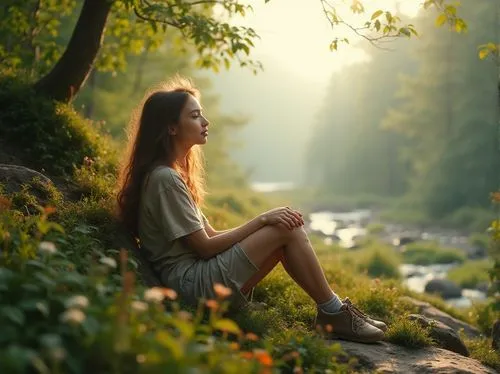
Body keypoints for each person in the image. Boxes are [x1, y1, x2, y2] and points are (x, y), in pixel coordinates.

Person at [116, 77, 387, 343]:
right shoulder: (165, 178)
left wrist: (262, 230)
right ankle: (333, 312)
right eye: (195, 116)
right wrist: (262, 220)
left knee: (281, 238)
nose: (206, 122)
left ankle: (332, 310)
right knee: (286, 230)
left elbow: (209, 235)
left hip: (196, 278)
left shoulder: (172, 176)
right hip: (190, 287)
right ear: (172, 127)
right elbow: (206, 247)